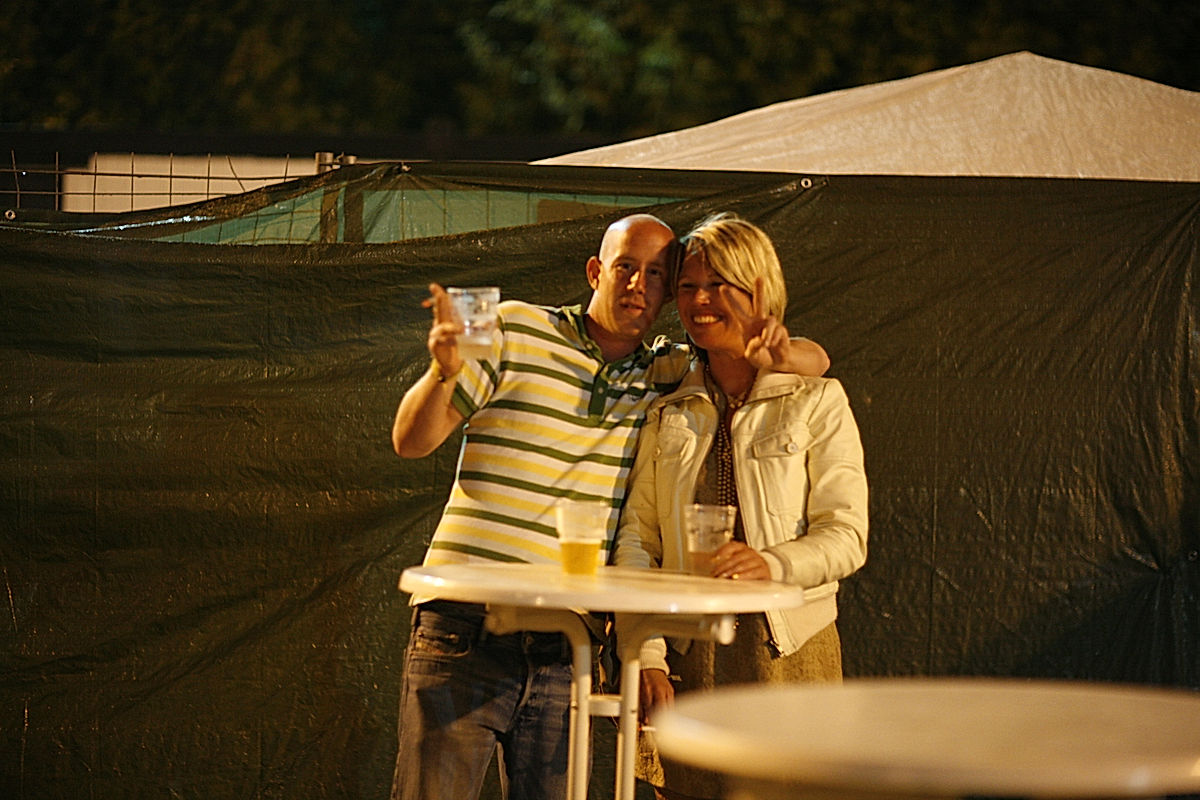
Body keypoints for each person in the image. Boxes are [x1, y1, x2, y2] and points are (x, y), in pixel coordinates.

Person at [389, 213, 830, 800]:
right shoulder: (509, 325)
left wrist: (781, 350)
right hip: (466, 621)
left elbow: (817, 360)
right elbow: (411, 442)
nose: (638, 286)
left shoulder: (668, 369)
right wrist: (442, 371)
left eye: (656, 275)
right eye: (626, 267)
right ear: (596, 270)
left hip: (567, 640)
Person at [611, 213, 869, 800]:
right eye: (686, 287)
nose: (699, 301)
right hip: (686, 657)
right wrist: (646, 652)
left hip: (787, 654)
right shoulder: (668, 404)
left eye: (718, 284)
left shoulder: (816, 399)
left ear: (758, 291)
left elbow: (848, 535)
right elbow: (637, 542)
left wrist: (770, 563)